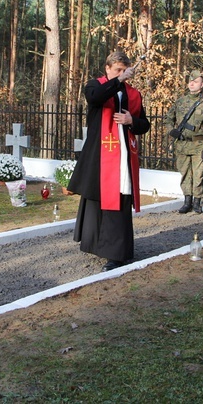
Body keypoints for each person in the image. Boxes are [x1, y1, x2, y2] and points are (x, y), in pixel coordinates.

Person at [67, 51, 151, 272]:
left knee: (119, 199)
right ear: (108, 69)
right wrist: (118, 81)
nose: (122, 74)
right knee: (97, 198)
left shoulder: (134, 94)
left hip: (122, 154)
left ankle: (116, 253)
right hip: (99, 154)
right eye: (117, 70)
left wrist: (131, 120)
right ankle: (95, 244)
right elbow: (95, 98)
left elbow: (145, 125)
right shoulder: (96, 85)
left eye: (125, 71)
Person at [166, 69, 203, 214]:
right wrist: (172, 130)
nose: (192, 84)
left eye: (196, 82)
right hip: (182, 144)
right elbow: (169, 119)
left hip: (199, 145)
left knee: (198, 173)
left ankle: (197, 201)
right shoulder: (180, 102)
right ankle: (187, 201)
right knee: (184, 173)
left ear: (202, 85)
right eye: (190, 81)